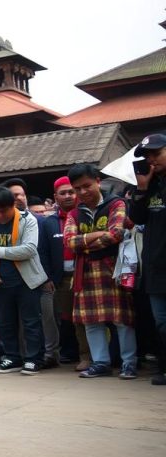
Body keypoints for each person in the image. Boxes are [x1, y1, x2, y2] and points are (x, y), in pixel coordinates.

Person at [65, 164, 136, 379]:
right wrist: (98, 236)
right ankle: (101, 363)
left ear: (98, 181)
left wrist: (84, 242)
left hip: (113, 269)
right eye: (77, 188)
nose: (82, 192)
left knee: (122, 320)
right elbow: (69, 242)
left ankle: (129, 363)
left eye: (86, 186)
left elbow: (115, 234)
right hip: (84, 272)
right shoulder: (74, 213)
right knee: (91, 322)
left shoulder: (117, 203)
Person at [0, 186, 48, 375]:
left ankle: (34, 359)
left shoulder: (27, 220)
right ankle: (11, 357)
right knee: (5, 322)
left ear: (13, 206)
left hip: (27, 280)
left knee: (31, 321)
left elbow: (29, 249)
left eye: (3, 211)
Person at [130, 133, 166, 385]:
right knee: (161, 323)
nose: (151, 160)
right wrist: (142, 188)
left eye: (157, 153)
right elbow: (137, 219)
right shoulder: (150, 185)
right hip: (154, 267)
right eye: (147, 156)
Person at [37, 177, 76, 369]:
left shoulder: (84, 216)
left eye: (71, 192)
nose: (68, 196)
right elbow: (42, 252)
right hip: (59, 279)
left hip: (85, 276)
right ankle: (69, 352)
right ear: (55, 197)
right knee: (65, 317)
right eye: (63, 193)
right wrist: (47, 277)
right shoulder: (48, 222)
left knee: (87, 318)